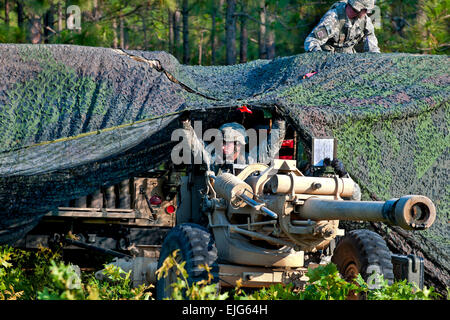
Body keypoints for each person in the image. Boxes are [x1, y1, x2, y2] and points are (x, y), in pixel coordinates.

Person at [304, 0, 380, 53]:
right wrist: (319, 56)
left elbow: (371, 42)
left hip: (349, 58)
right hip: (329, 58)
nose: (366, 13)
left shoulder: (364, 20)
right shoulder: (333, 18)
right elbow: (311, 41)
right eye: (353, 9)